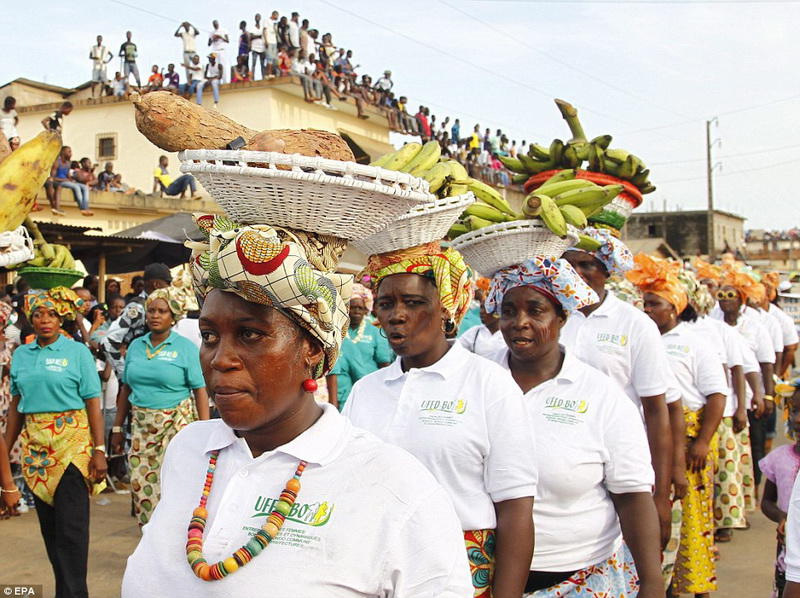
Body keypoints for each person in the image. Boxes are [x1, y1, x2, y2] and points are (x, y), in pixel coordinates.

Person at [121, 215, 473, 596]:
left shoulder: (396, 488)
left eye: (250, 334)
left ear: (313, 349)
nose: (221, 359)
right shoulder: (189, 449)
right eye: (209, 336)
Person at [344, 241, 538, 597]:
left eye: (414, 303)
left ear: (447, 309)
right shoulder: (367, 391)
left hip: (463, 569)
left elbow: (515, 507)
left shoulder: (487, 384)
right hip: (372, 566)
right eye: (386, 304)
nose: (396, 315)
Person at [485, 256, 662, 597]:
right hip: (484, 570)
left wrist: (652, 582)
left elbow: (632, 496)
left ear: (563, 317)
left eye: (536, 311)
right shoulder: (479, 381)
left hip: (579, 574)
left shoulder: (599, 394)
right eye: (509, 311)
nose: (519, 322)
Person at [561, 228, 675, 547]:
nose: (579, 274)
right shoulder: (553, 317)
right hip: (565, 456)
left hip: (620, 457)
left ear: (608, 270)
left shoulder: (635, 325)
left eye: (589, 265)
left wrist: (661, 494)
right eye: (571, 265)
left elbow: (656, 410)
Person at [628, 254, 727, 597]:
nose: (648, 311)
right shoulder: (642, 339)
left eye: (655, 304)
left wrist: (700, 443)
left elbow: (717, 395)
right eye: (645, 304)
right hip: (655, 441)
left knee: (693, 522)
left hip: (691, 439)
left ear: (674, 307)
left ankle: (698, 588)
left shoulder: (695, 343)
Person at [4, 287, 107, 598]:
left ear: (61, 317)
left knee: (72, 535)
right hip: (37, 455)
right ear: (30, 319)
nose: (44, 320)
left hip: (73, 448)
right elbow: (15, 407)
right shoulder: (22, 355)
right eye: (38, 314)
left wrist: (99, 450)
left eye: (50, 314)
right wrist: (5, 457)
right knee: (51, 535)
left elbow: (93, 402)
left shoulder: (76, 352)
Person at [110, 288, 209, 526]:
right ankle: (149, 533)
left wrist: (205, 431)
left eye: (162, 311)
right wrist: (116, 428)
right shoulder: (135, 346)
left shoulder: (184, 348)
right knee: (141, 481)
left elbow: (200, 390)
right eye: (151, 310)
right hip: (141, 426)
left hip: (176, 423)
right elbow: (126, 388)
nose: (155, 315)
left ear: (173, 316)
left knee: (175, 482)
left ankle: (174, 532)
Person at [712, 267, 776, 489]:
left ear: (742, 300)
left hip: (750, 397)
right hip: (725, 400)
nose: (725, 301)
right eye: (722, 296)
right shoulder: (713, 323)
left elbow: (765, 364)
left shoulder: (755, 326)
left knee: (755, 444)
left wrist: (766, 395)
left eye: (731, 297)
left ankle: (756, 488)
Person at [326, 284, 392, 411]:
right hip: (341, 392)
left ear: (366, 310)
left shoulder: (376, 332)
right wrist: (333, 403)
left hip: (369, 389)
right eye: (353, 307)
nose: (356, 311)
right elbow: (332, 368)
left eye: (360, 308)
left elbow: (384, 365)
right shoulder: (336, 332)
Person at [102, 263, 173, 380]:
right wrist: (124, 374)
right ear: (156, 285)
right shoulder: (137, 308)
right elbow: (108, 341)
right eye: (168, 284)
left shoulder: (165, 305)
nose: (170, 288)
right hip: (139, 376)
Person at [762, 390, 800, 598]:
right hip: (788, 543)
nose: (798, 418)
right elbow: (766, 501)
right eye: (794, 411)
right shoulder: (779, 458)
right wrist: (782, 517)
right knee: (785, 580)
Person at [457, 282, 505, 357]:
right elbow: (456, 350)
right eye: (481, 307)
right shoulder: (475, 332)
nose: (481, 312)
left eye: (485, 308)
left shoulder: (507, 334)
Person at [50, 145, 93, 216]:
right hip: (59, 182)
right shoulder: (57, 162)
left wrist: (71, 179)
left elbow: (68, 175)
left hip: (67, 181)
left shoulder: (68, 163)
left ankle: (86, 207)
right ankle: (82, 208)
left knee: (85, 187)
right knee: (76, 187)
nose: (71, 154)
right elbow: (53, 177)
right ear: (63, 152)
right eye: (69, 152)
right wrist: (65, 180)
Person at [89, 35, 113, 99]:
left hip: (103, 67)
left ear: (101, 40)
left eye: (100, 39)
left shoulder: (105, 48)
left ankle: (100, 94)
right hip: (96, 66)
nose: (99, 40)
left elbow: (111, 55)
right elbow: (90, 56)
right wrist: (95, 57)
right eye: (98, 39)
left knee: (103, 81)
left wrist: (107, 61)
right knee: (94, 81)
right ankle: (93, 95)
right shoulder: (93, 47)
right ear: (97, 39)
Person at [249, 14, 267, 80]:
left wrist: (256, 36)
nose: (257, 18)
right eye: (256, 17)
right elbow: (251, 36)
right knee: (253, 64)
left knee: (262, 64)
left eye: (258, 17)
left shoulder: (262, 27)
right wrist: (259, 36)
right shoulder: (252, 27)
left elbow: (265, 35)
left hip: (262, 48)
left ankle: (263, 77)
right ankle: (252, 77)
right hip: (255, 47)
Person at [264, 11, 279, 78]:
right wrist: (266, 41)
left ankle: (272, 73)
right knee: (269, 58)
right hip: (269, 41)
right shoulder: (267, 20)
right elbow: (264, 30)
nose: (277, 17)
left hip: (274, 41)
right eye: (276, 16)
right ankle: (268, 74)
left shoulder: (275, 23)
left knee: (274, 58)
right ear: (273, 15)